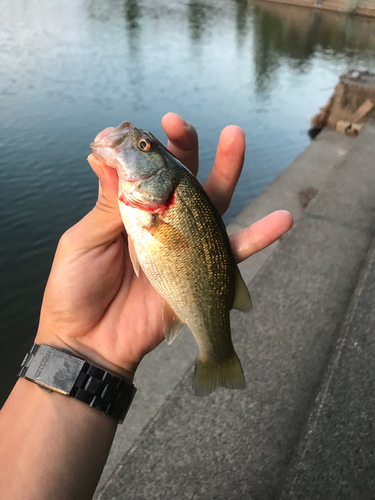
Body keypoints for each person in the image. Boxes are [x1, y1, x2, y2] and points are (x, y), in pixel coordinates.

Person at [0, 113, 293, 500]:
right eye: (145, 145)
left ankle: (217, 354)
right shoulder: (147, 204)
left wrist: (72, 346)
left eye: (143, 147)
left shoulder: (161, 202)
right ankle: (218, 355)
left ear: (163, 180)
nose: (138, 143)